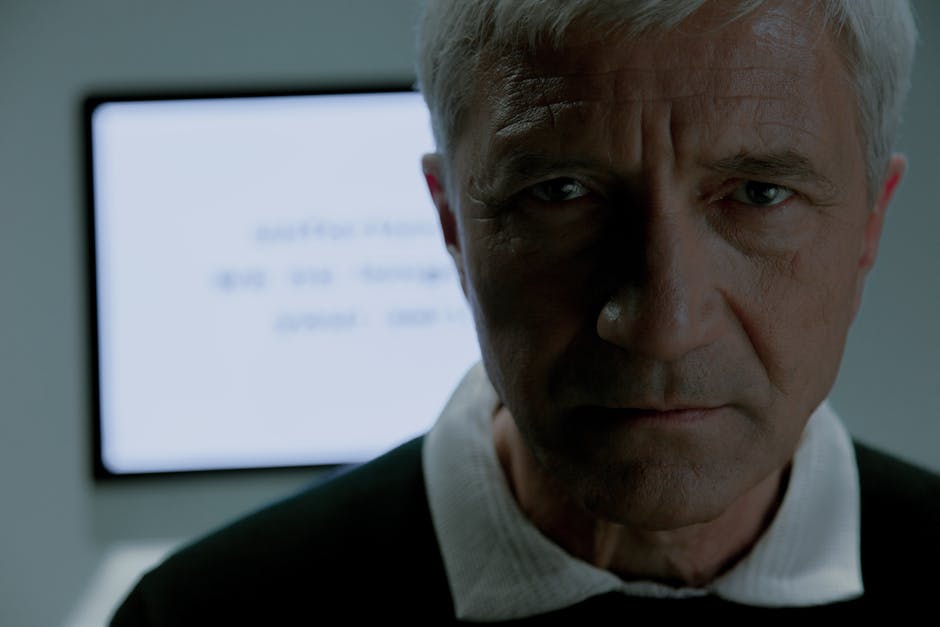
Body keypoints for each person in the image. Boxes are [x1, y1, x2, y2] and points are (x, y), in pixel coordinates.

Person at [111, 0, 940, 622]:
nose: (663, 325)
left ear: (871, 222)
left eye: (758, 194)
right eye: (561, 192)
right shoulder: (196, 615)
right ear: (451, 223)